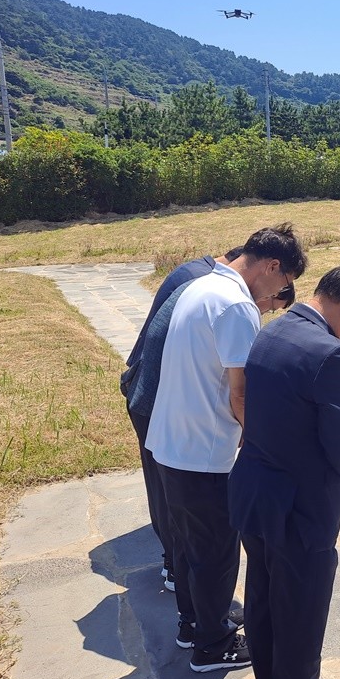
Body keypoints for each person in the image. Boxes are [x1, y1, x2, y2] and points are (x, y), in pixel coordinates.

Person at [146, 224, 307, 673]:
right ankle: (213, 645)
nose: (281, 293)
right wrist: (264, 445)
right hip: (202, 451)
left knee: (186, 547)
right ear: (273, 267)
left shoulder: (202, 286)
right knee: (216, 553)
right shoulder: (237, 304)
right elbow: (241, 394)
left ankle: (192, 623)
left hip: (170, 440)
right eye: (284, 284)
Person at [230, 264, 340, 679]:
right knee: (299, 616)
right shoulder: (333, 355)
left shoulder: (271, 332)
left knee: (262, 605)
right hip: (298, 508)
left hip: (255, 493)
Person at [121, 246, 242, 593]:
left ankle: (176, 571)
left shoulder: (198, 276)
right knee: (181, 505)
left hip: (149, 391)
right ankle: (178, 574)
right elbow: (235, 387)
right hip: (153, 397)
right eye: (270, 305)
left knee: (168, 494)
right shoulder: (213, 290)